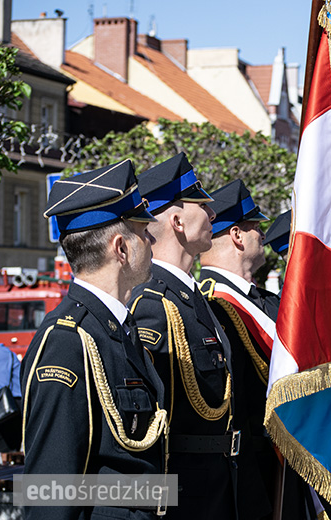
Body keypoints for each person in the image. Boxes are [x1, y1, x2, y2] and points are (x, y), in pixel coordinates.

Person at [21, 160, 167, 519]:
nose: (151, 241)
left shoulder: (117, 330)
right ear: (121, 248)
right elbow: (50, 492)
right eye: (143, 231)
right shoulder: (68, 342)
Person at [198, 180, 316, 520]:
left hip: (290, 462)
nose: (261, 234)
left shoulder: (267, 301)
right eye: (255, 227)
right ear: (237, 235)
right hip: (255, 468)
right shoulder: (210, 303)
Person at [129, 153, 237, 518]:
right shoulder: (152, 303)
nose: (214, 214)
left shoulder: (195, 300)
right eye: (202, 205)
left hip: (221, 484)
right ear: (176, 221)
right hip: (185, 494)